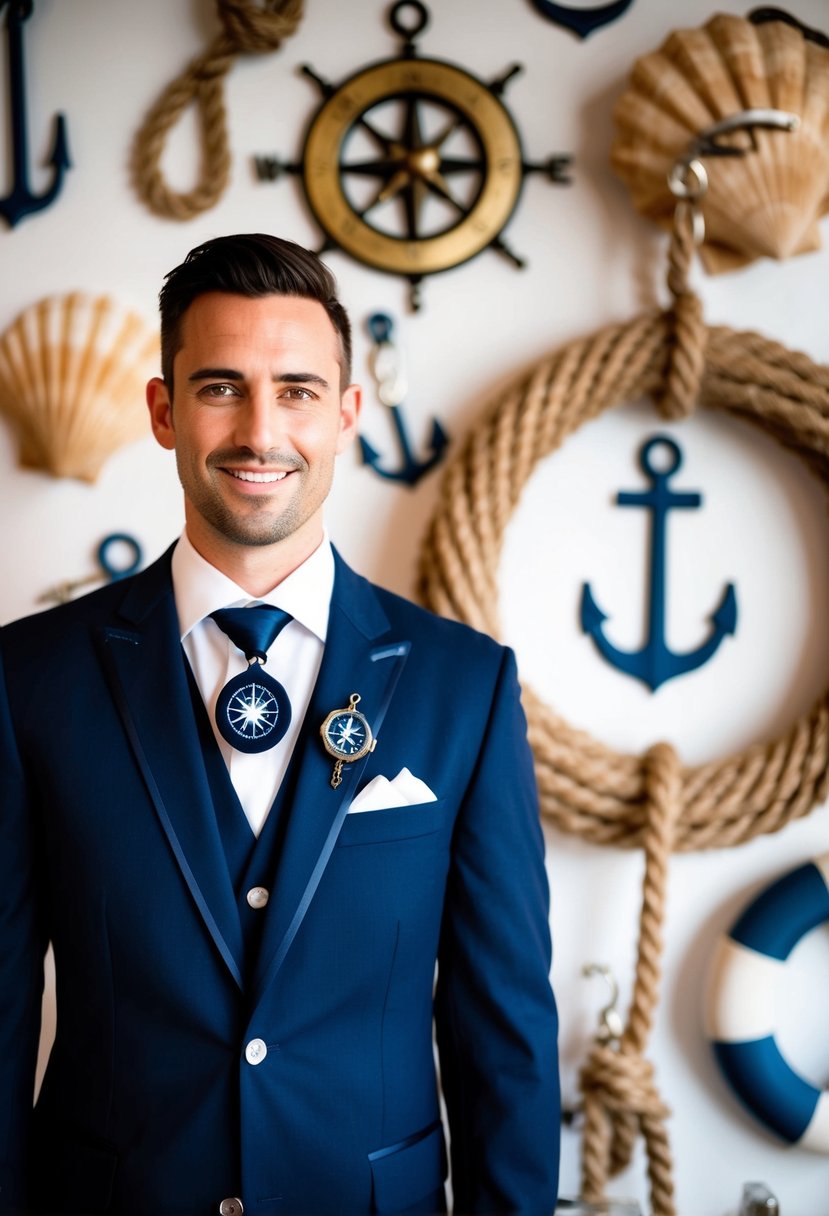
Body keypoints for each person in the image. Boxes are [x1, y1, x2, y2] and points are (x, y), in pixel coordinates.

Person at [0, 234, 560, 1216]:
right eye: (221, 387)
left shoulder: (462, 686)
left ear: (346, 413)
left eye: (297, 390)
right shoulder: (28, 678)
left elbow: (501, 1031)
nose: (261, 431)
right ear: (163, 412)